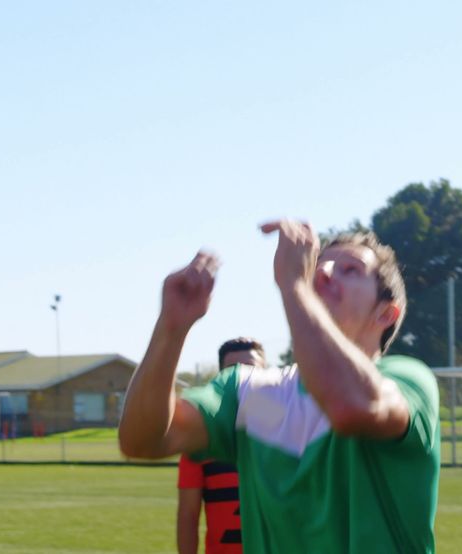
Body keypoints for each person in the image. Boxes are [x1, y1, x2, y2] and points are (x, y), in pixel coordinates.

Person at [118, 221, 440, 554]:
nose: (323, 273)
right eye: (319, 264)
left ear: (386, 314)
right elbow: (142, 440)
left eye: (350, 270)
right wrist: (171, 329)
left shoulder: (407, 381)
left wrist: (295, 285)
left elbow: (349, 405)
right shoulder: (258, 398)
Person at [177, 337, 267, 554]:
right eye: (233, 373)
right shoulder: (200, 443)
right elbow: (188, 515)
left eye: (252, 372)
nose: (243, 380)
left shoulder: (293, 433)